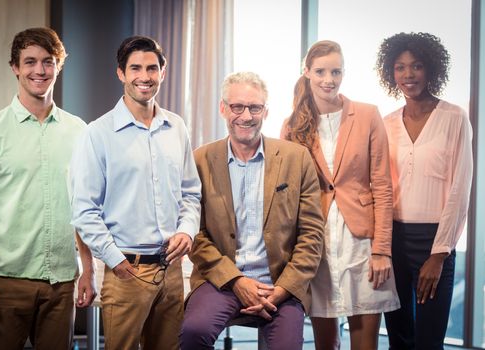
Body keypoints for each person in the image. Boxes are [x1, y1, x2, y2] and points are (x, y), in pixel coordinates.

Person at [0, 27, 96, 350]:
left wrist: (88, 271)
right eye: (30, 61)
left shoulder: (80, 132)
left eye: (48, 62)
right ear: (15, 67)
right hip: (5, 283)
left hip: (61, 282)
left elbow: (85, 207)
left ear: (58, 67)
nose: (39, 70)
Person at [70, 35, 201, 350]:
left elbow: (191, 194)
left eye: (152, 68)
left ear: (163, 72)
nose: (145, 77)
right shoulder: (97, 134)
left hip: (171, 273)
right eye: (136, 68)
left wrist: (187, 230)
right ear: (120, 73)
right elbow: (84, 210)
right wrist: (114, 260)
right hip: (126, 272)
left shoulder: (177, 127)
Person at [180, 71, 325, 350]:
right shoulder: (200, 160)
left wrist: (283, 290)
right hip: (221, 280)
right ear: (223, 108)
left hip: (280, 282)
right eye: (237, 107)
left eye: (254, 107)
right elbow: (195, 234)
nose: (246, 116)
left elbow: (311, 236)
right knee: (193, 332)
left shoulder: (297, 159)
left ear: (265, 111)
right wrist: (236, 281)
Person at [281, 40, 400, 350]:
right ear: (306, 72)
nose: (328, 79)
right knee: (325, 342)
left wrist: (382, 251)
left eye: (336, 71)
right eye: (320, 71)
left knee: (365, 341)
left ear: (344, 72)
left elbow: (383, 187)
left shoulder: (367, 114)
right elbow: (287, 195)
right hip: (315, 240)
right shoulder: (292, 126)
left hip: (362, 241)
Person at [376, 32, 473, 350]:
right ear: (392, 73)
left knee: (430, 341)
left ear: (430, 69)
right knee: (399, 338)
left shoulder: (454, 117)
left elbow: (460, 188)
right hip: (394, 240)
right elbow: (380, 185)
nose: (408, 75)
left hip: (435, 242)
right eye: (400, 67)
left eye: (416, 66)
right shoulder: (386, 123)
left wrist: (440, 253)